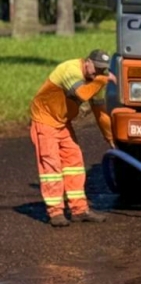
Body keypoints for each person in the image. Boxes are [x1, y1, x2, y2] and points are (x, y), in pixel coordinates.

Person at [29, 49, 115, 227]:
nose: (98, 72)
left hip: (62, 122)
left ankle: (79, 210)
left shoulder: (95, 81)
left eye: (102, 69)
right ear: (87, 61)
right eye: (96, 68)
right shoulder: (70, 70)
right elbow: (82, 94)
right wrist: (102, 80)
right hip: (45, 121)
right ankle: (55, 213)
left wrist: (110, 137)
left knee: (74, 163)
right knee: (51, 166)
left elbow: (99, 112)